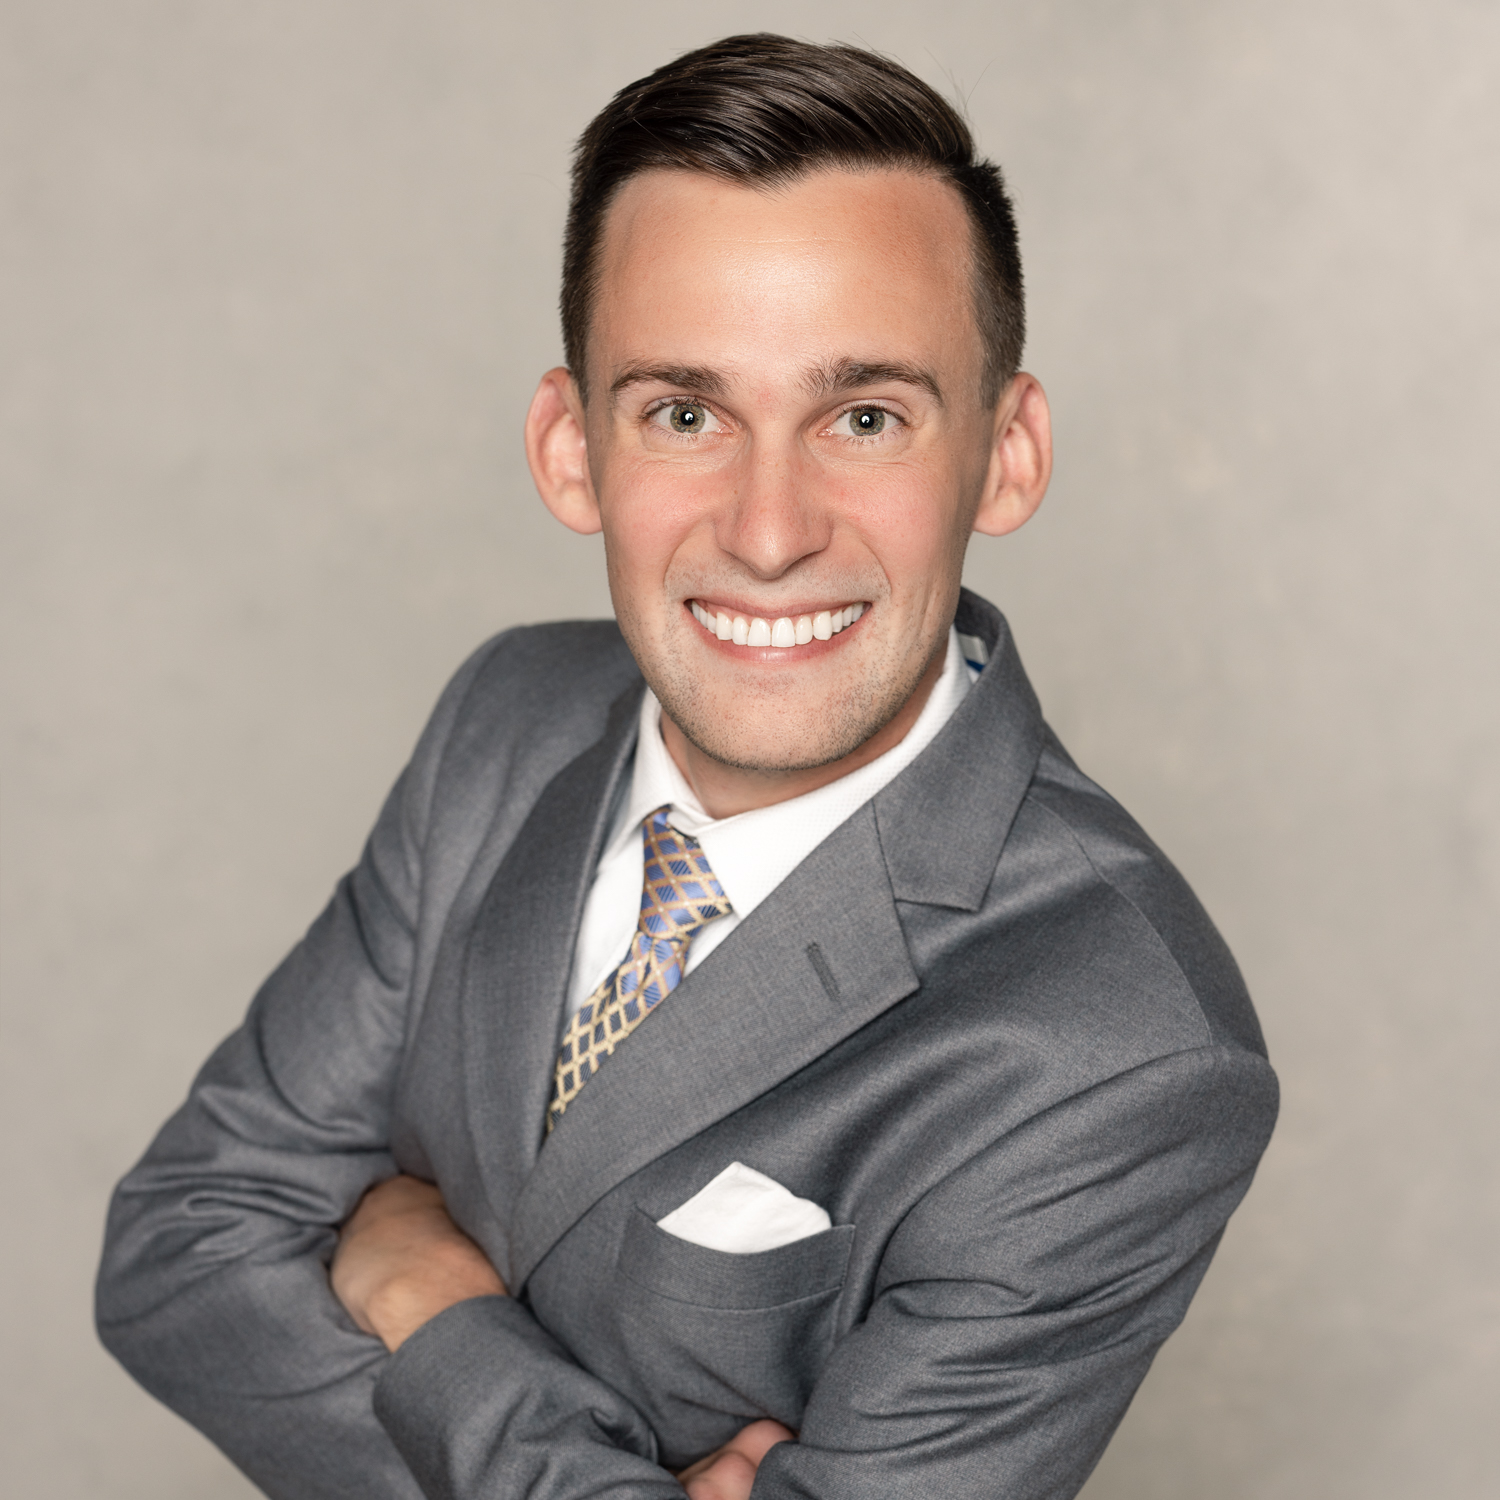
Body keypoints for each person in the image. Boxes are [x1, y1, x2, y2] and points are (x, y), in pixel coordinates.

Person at [97, 33, 1277, 1500]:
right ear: (571, 448)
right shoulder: (507, 717)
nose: (769, 531)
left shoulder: (1129, 1053)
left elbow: (280, 1281)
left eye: (864, 418)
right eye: (685, 414)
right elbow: (181, 1244)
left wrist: (428, 1304)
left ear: (1006, 453)